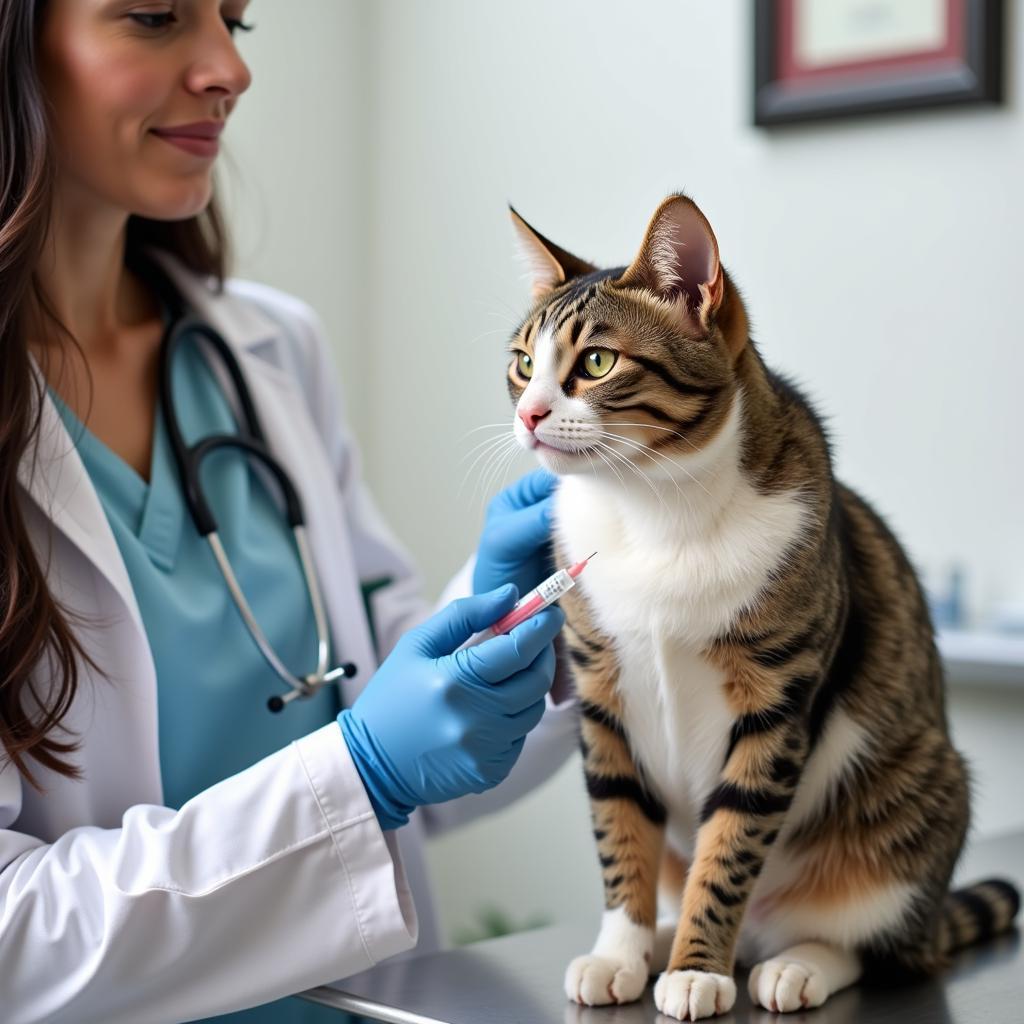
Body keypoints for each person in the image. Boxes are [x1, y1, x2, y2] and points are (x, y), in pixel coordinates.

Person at [0, 2, 580, 1021]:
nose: (229, 67)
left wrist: (545, 610)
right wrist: (362, 773)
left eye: (235, 20)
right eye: (153, 16)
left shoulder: (272, 351)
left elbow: (411, 719)